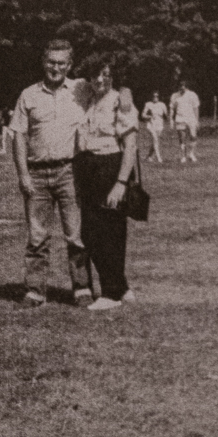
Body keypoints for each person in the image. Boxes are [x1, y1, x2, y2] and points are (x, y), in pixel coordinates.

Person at [9, 39, 92, 308]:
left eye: (61, 63)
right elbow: (19, 136)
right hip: (36, 174)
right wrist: (23, 174)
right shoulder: (28, 95)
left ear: (70, 65)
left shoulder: (82, 90)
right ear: (43, 62)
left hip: (71, 172)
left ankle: (82, 288)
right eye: (51, 62)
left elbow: (111, 90)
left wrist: (125, 92)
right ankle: (35, 291)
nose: (55, 67)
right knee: (37, 236)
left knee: (76, 235)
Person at [74, 63, 139, 311]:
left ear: (114, 78)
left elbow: (131, 146)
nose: (100, 79)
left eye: (106, 75)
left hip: (111, 167)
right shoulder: (88, 97)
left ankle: (110, 294)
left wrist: (120, 183)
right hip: (89, 167)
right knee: (91, 232)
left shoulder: (119, 102)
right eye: (96, 74)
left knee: (110, 232)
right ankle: (122, 288)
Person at [169, 79, 200, 164]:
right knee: (182, 138)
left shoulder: (192, 95)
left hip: (191, 119)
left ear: (186, 87)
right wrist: (171, 120)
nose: (181, 90)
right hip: (180, 119)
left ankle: (191, 153)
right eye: (180, 88)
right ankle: (183, 156)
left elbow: (196, 108)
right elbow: (172, 108)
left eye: (183, 88)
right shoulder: (174, 96)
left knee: (193, 137)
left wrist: (197, 120)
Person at [141, 90, 167, 163]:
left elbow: (166, 115)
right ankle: (159, 158)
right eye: (154, 96)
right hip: (151, 125)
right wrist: (149, 116)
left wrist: (166, 116)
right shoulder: (148, 104)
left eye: (157, 96)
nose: (155, 98)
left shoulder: (162, 104)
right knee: (155, 140)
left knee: (155, 142)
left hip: (160, 125)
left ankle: (149, 156)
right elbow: (143, 115)